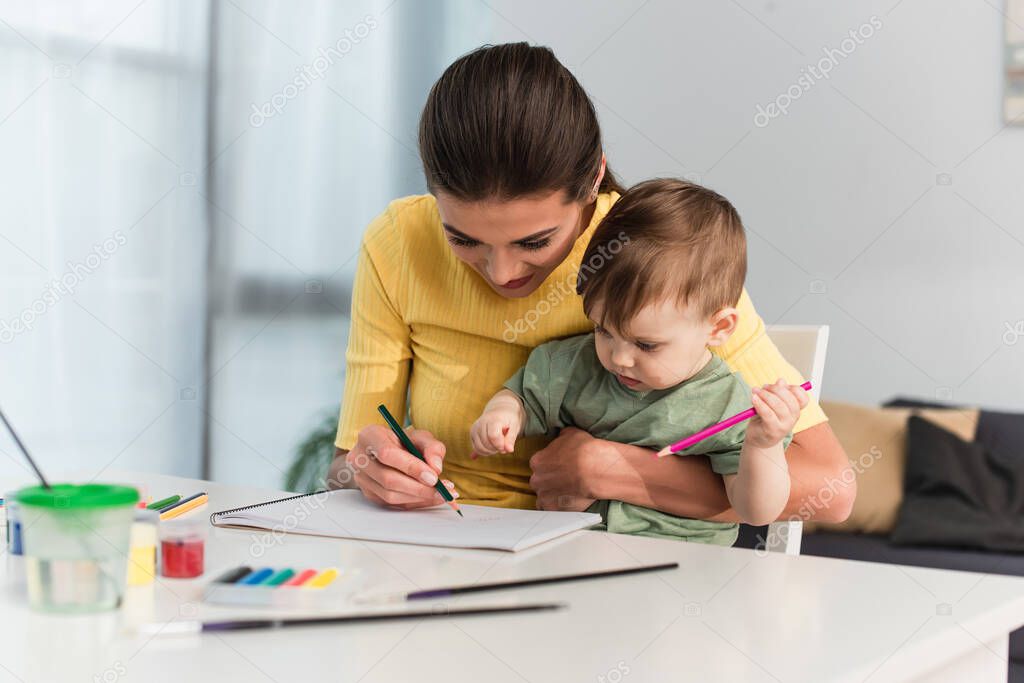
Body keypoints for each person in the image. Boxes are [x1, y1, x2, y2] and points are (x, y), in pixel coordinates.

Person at [327, 42, 854, 528]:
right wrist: (371, 470)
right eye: (462, 239)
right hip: (445, 545)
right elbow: (340, 470)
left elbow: (831, 489)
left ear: (593, 182)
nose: (502, 273)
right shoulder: (398, 241)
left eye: (534, 242)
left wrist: (611, 470)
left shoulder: (655, 256)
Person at [470, 179, 807, 544]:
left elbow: (756, 511)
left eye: (646, 345)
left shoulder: (729, 404)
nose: (619, 358)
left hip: (684, 564)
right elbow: (523, 396)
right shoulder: (574, 366)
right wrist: (502, 415)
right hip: (573, 553)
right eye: (603, 329)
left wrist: (764, 445)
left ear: (719, 328)